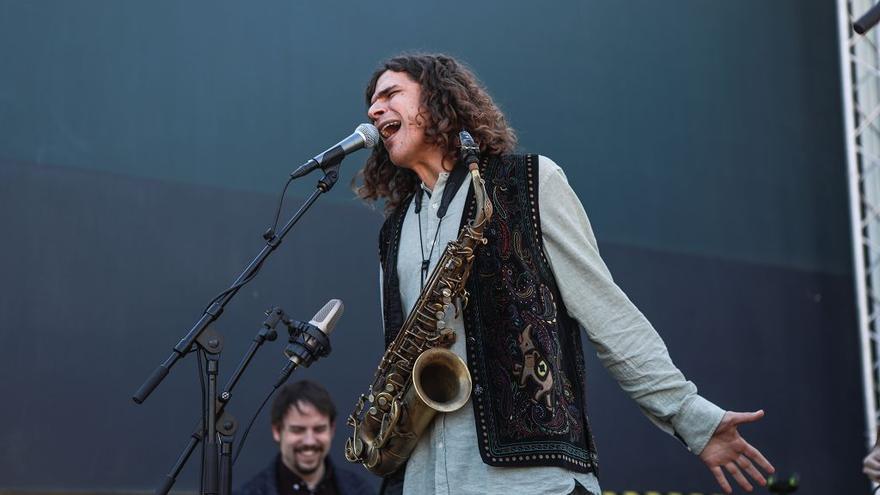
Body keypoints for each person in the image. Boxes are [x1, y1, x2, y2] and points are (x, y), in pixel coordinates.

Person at [352, 53, 775, 495]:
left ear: (438, 99)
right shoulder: (394, 230)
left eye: (390, 94)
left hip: (531, 479)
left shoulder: (532, 182)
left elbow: (606, 312)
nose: (374, 110)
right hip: (424, 482)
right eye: (372, 103)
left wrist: (691, 417)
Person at [237, 380, 375, 495]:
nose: (309, 441)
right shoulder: (249, 492)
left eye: (319, 429)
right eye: (298, 430)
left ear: (332, 429)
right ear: (277, 431)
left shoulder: (361, 490)